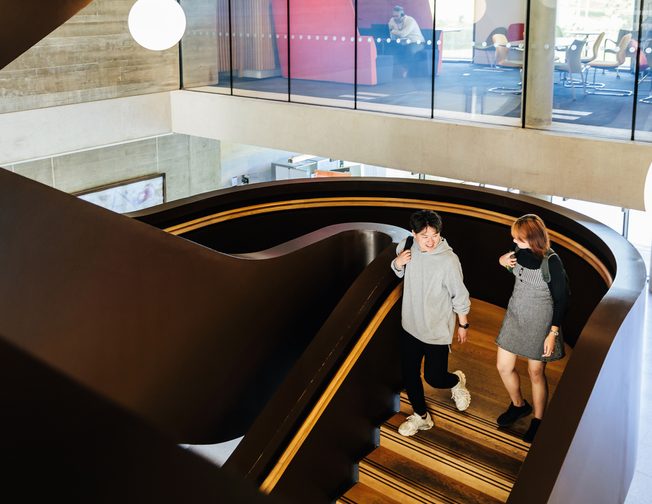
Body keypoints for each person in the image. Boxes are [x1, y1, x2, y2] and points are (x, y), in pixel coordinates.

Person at [391, 210, 472, 437]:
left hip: (436, 330)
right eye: (425, 236)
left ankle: (456, 380)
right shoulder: (407, 245)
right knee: (409, 375)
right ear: (414, 234)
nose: (430, 241)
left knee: (434, 378)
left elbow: (460, 295)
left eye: (435, 235)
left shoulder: (448, 260)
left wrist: (463, 325)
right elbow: (396, 269)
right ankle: (421, 416)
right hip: (410, 325)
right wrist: (398, 262)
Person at [495, 214, 569, 443]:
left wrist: (552, 333)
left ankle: (538, 420)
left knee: (535, 372)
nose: (514, 241)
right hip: (515, 316)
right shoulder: (517, 251)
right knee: (503, 366)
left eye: (518, 238)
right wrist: (502, 261)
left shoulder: (552, 262)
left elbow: (562, 300)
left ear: (533, 239)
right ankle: (519, 405)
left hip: (541, 323)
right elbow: (509, 265)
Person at [387, 5, 426, 78]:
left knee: (410, 50)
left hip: (417, 42)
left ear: (402, 15)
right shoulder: (392, 21)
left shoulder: (410, 20)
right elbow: (391, 34)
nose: (394, 18)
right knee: (392, 50)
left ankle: (408, 71)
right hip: (403, 43)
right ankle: (400, 70)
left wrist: (393, 31)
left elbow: (403, 34)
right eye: (393, 15)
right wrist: (392, 32)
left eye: (396, 16)